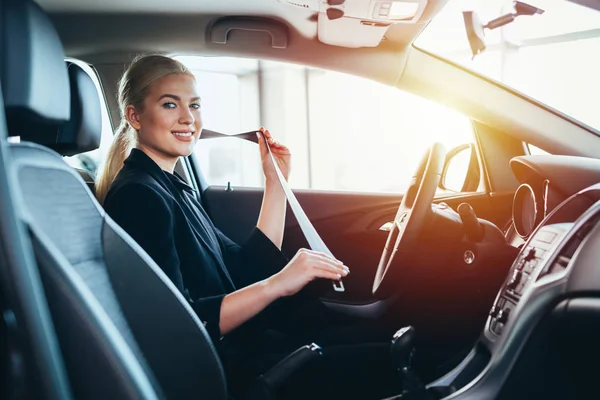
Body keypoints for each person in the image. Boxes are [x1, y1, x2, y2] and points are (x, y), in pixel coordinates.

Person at [97, 55, 399, 399]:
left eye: (195, 105)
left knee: (379, 341)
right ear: (134, 116)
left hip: (243, 347)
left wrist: (275, 182)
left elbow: (244, 267)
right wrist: (278, 284)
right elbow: (179, 323)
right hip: (224, 370)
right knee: (392, 360)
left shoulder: (171, 187)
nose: (188, 118)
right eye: (170, 105)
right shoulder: (138, 196)